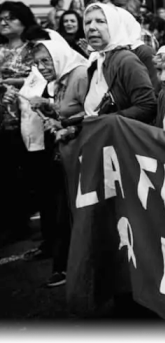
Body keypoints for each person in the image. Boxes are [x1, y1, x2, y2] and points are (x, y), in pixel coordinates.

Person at [27, 37, 88, 287]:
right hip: (67, 153)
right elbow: (67, 110)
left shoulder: (80, 74)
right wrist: (49, 108)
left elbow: (94, 113)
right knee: (64, 211)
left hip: (82, 154)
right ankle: (66, 266)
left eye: (46, 61)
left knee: (72, 212)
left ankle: (73, 268)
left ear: (59, 56)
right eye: (37, 63)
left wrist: (66, 126)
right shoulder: (60, 79)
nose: (41, 67)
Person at [0, 1, 47, 243]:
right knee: (6, 174)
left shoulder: (34, 48)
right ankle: (12, 223)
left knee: (31, 172)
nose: (4, 22)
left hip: (29, 118)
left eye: (10, 17)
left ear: (24, 20)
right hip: (3, 118)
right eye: (1, 18)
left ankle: (34, 223)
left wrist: (13, 82)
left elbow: (42, 76)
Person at [81, 3, 157, 123]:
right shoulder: (98, 60)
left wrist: (106, 121)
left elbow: (147, 106)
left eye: (100, 21)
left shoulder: (126, 61)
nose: (91, 27)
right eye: (87, 22)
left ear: (114, 26)